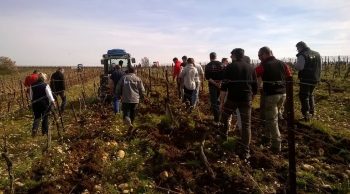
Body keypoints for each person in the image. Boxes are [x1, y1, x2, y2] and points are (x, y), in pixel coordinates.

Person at [220, 48, 257, 159]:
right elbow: (255, 87)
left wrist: (222, 102)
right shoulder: (251, 68)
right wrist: (251, 98)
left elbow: (224, 87)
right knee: (246, 125)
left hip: (232, 99)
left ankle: (223, 138)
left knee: (225, 117)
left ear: (235, 55)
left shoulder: (229, 67)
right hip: (246, 99)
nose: (230, 57)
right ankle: (245, 150)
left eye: (231, 55)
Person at [255, 46, 292, 153]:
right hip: (283, 94)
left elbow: (254, 74)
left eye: (260, 55)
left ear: (266, 53)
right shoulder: (283, 63)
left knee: (272, 120)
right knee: (270, 116)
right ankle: (266, 137)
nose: (259, 58)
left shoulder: (264, 65)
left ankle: (276, 145)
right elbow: (289, 76)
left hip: (271, 95)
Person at [295, 41, 321, 121]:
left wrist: (294, 65)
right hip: (315, 78)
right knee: (311, 95)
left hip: (305, 78)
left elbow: (300, 67)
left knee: (304, 96)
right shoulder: (317, 54)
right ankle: (312, 112)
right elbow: (320, 66)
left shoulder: (302, 55)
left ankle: (306, 114)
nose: (297, 50)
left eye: (297, 48)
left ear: (300, 47)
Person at [205, 52, 224, 123]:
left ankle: (216, 120)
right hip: (221, 86)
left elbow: (208, 78)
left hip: (212, 86)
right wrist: (219, 83)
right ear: (216, 56)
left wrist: (215, 84)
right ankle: (220, 116)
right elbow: (224, 76)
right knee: (218, 101)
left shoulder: (208, 66)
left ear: (210, 57)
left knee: (214, 102)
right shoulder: (221, 64)